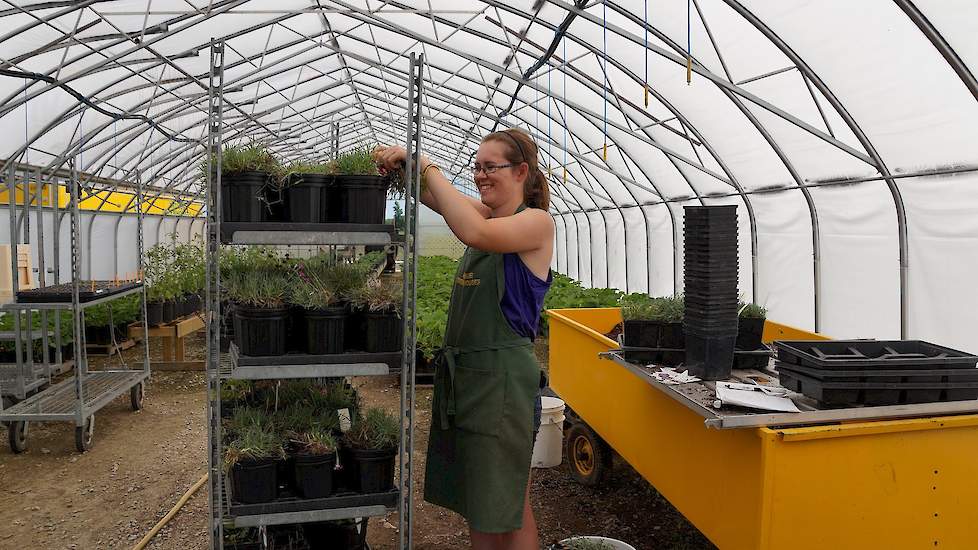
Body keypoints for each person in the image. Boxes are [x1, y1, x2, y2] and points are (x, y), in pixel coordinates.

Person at [374, 128, 554, 550]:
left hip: (502, 386)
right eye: (477, 168)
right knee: (491, 500)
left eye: (490, 167)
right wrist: (405, 169)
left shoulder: (536, 223)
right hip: (475, 380)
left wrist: (426, 163)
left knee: (499, 503)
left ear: (521, 171)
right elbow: (442, 201)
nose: (480, 176)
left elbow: (474, 233)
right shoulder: (489, 216)